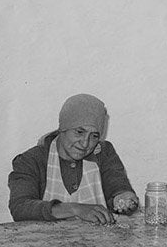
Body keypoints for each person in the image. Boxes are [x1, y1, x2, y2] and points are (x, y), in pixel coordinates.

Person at [8, 93, 139, 224]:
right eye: (79, 132)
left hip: (96, 237)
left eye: (94, 136)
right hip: (46, 237)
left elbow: (117, 185)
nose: (85, 143)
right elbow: (20, 207)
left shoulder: (103, 153)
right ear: (62, 129)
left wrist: (123, 198)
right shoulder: (31, 160)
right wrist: (75, 209)